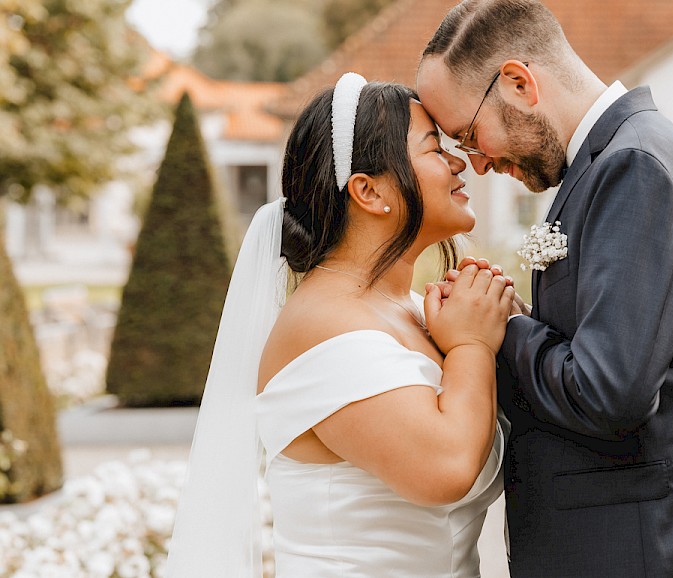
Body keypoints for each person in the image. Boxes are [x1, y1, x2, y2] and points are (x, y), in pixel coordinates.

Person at [415, 1, 673, 576]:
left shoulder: (634, 167)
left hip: (651, 551)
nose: (477, 163)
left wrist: (499, 328)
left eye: (468, 134)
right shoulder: (620, 160)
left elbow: (608, 391)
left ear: (518, 82)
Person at [164, 73, 515, 577]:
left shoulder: (416, 311)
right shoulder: (323, 324)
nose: (459, 162)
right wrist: (473, 346)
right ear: (368, 191)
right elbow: (446, 468)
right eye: (434, 148)